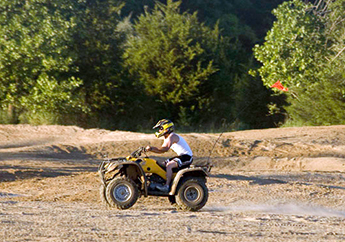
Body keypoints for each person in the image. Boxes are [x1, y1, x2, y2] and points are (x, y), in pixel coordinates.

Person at [145, 119, 193, 192]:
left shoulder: (172, 136)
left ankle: (166, 186)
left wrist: (151, 148)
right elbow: (161, 150)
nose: (159, 131)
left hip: (186, 157)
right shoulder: (167, 138)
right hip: (181, 156)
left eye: (161, 128)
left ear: (166, 128)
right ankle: (159, 181)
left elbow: (165, 149)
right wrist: (151, 149)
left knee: (169, 165)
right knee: (161, 165)